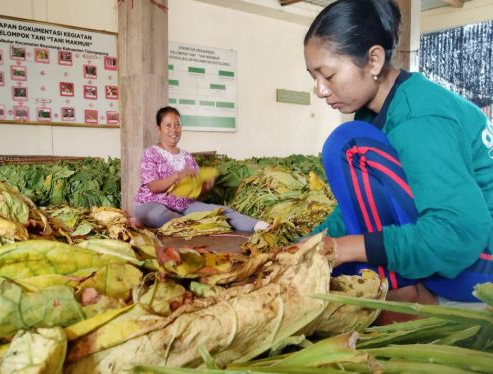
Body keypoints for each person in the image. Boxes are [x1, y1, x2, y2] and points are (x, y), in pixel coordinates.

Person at [302, 0, 493, 319]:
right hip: (466, 252)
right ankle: (400, 284)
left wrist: (346, 248)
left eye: (329, 75)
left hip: (478, 263)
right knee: (328, 267)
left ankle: (409, 297)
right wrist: (307, 246)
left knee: (345, 145)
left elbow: (460, 233)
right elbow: (359, 206)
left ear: (374, 60)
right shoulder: (378, 111)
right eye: (314, 78)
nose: (320, 90)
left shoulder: (420, 116)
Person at [134, 107, 269, 232]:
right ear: (159, 129)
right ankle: (196, 223)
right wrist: (178, 175)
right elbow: (153, 186)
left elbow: (195, 191)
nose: (174, 129)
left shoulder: (187, 156)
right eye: (168, 125)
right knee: (157, 215)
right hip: (152, 205)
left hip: (185, 206)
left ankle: (260, 225)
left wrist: (204, 186)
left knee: (219, 212)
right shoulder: (150, 153)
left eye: (177, 124)